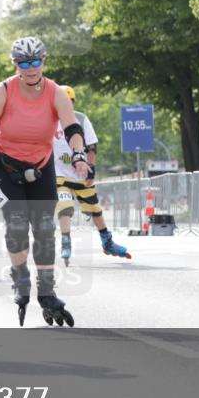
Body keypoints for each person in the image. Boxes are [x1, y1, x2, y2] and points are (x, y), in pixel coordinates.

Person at [0, 37, 89, 327]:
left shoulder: (55, 92)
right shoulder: (5, 90)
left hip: (40, 165)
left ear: (44, 61)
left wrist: (79, 153)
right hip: (4, 164)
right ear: (15, 65)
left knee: (43, 227)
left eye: (36, 62)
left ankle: (48, 292)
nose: (30, 68)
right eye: (23, 63)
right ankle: (20, 276)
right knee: (16, 222)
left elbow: (72, 127)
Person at [53, 85, 130, 265]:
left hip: (80, 173)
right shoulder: (49, 120)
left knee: (94, 209)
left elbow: (91, 147)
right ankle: (66, 241)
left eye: (69, 102)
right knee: (65, 206)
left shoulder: (80, 118)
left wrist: (91, 168)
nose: (67, 105)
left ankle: (107, 242)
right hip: (58, 174)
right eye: (63, 102)